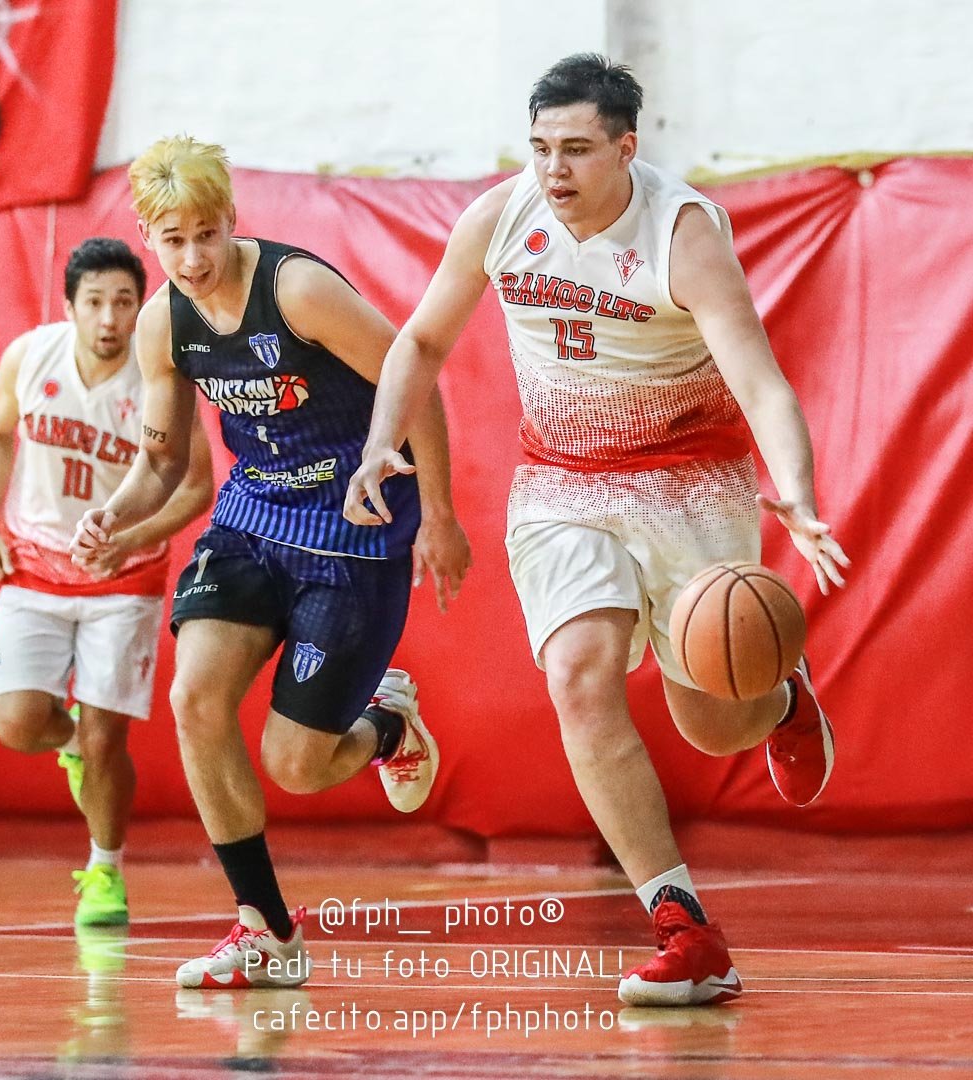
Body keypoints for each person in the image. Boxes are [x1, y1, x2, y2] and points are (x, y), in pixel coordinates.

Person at [345, 54, 851, 1007]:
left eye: (576, 150)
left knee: (712, 722)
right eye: (540, 148)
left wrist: (798, 493)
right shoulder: (501, 219)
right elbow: (419, 340)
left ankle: (780, 699)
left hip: (690, 483)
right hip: (562, 483)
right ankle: (684, 929)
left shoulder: (683, 234)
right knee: (578, 674)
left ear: (626, 147)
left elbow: (759, 378)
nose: (554, 171)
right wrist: (379, 445)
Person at [69, 136, 471, 990]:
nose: (192, 257)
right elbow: (162, 462)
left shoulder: (297, 290)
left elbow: (416, 379)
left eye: (205, 235)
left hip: (353, 528)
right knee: (193, 696)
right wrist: (115, 513)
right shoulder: (162, 324)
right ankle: (267, 933)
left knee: (296, 765)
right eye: (171, 240)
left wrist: (439, 514)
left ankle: (388, 724)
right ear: (148, 236)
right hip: (252, 522)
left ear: (230, 223)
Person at [0, 237, 215, 926]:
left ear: (142, 309)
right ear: (70, 307)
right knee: (19, 722)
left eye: (124, 303)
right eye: (96, 302)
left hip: (123, 576)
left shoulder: (162, 377)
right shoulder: (29, 357)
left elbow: (196, 486)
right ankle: (70, 743)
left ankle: (105, 871)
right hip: (36, 563)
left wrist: (131, 539)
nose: (110, 318)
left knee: (112, 740)